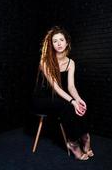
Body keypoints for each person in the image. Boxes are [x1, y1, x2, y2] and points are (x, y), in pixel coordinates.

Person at [32, 26, 94, 160]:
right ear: (51, 44)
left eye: (61, 40)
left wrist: (78, 99)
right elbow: (56, 88)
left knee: (79, 104)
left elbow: (71, 87)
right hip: (42, 99)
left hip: (58, 97)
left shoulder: (71, 63)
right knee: (67, 105)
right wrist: (72, 101)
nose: (59, 43)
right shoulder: (45, 61)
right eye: (55, 41)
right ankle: (72, 142)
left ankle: (85, 136)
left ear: (67, 42)